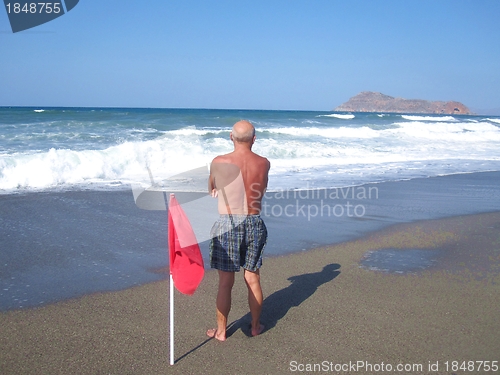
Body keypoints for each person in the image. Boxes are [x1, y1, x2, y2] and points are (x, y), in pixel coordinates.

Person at [206, 120, 270, 341]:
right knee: (252, 278)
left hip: (228, 222)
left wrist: (217, 189)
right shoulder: (264, 163)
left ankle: (221, 332)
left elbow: (211, 187)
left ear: (230, 137)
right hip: (254, 221)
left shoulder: (219, 161)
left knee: (225, 282)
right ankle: (254, 326)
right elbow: (263, 187)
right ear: (254, 139)